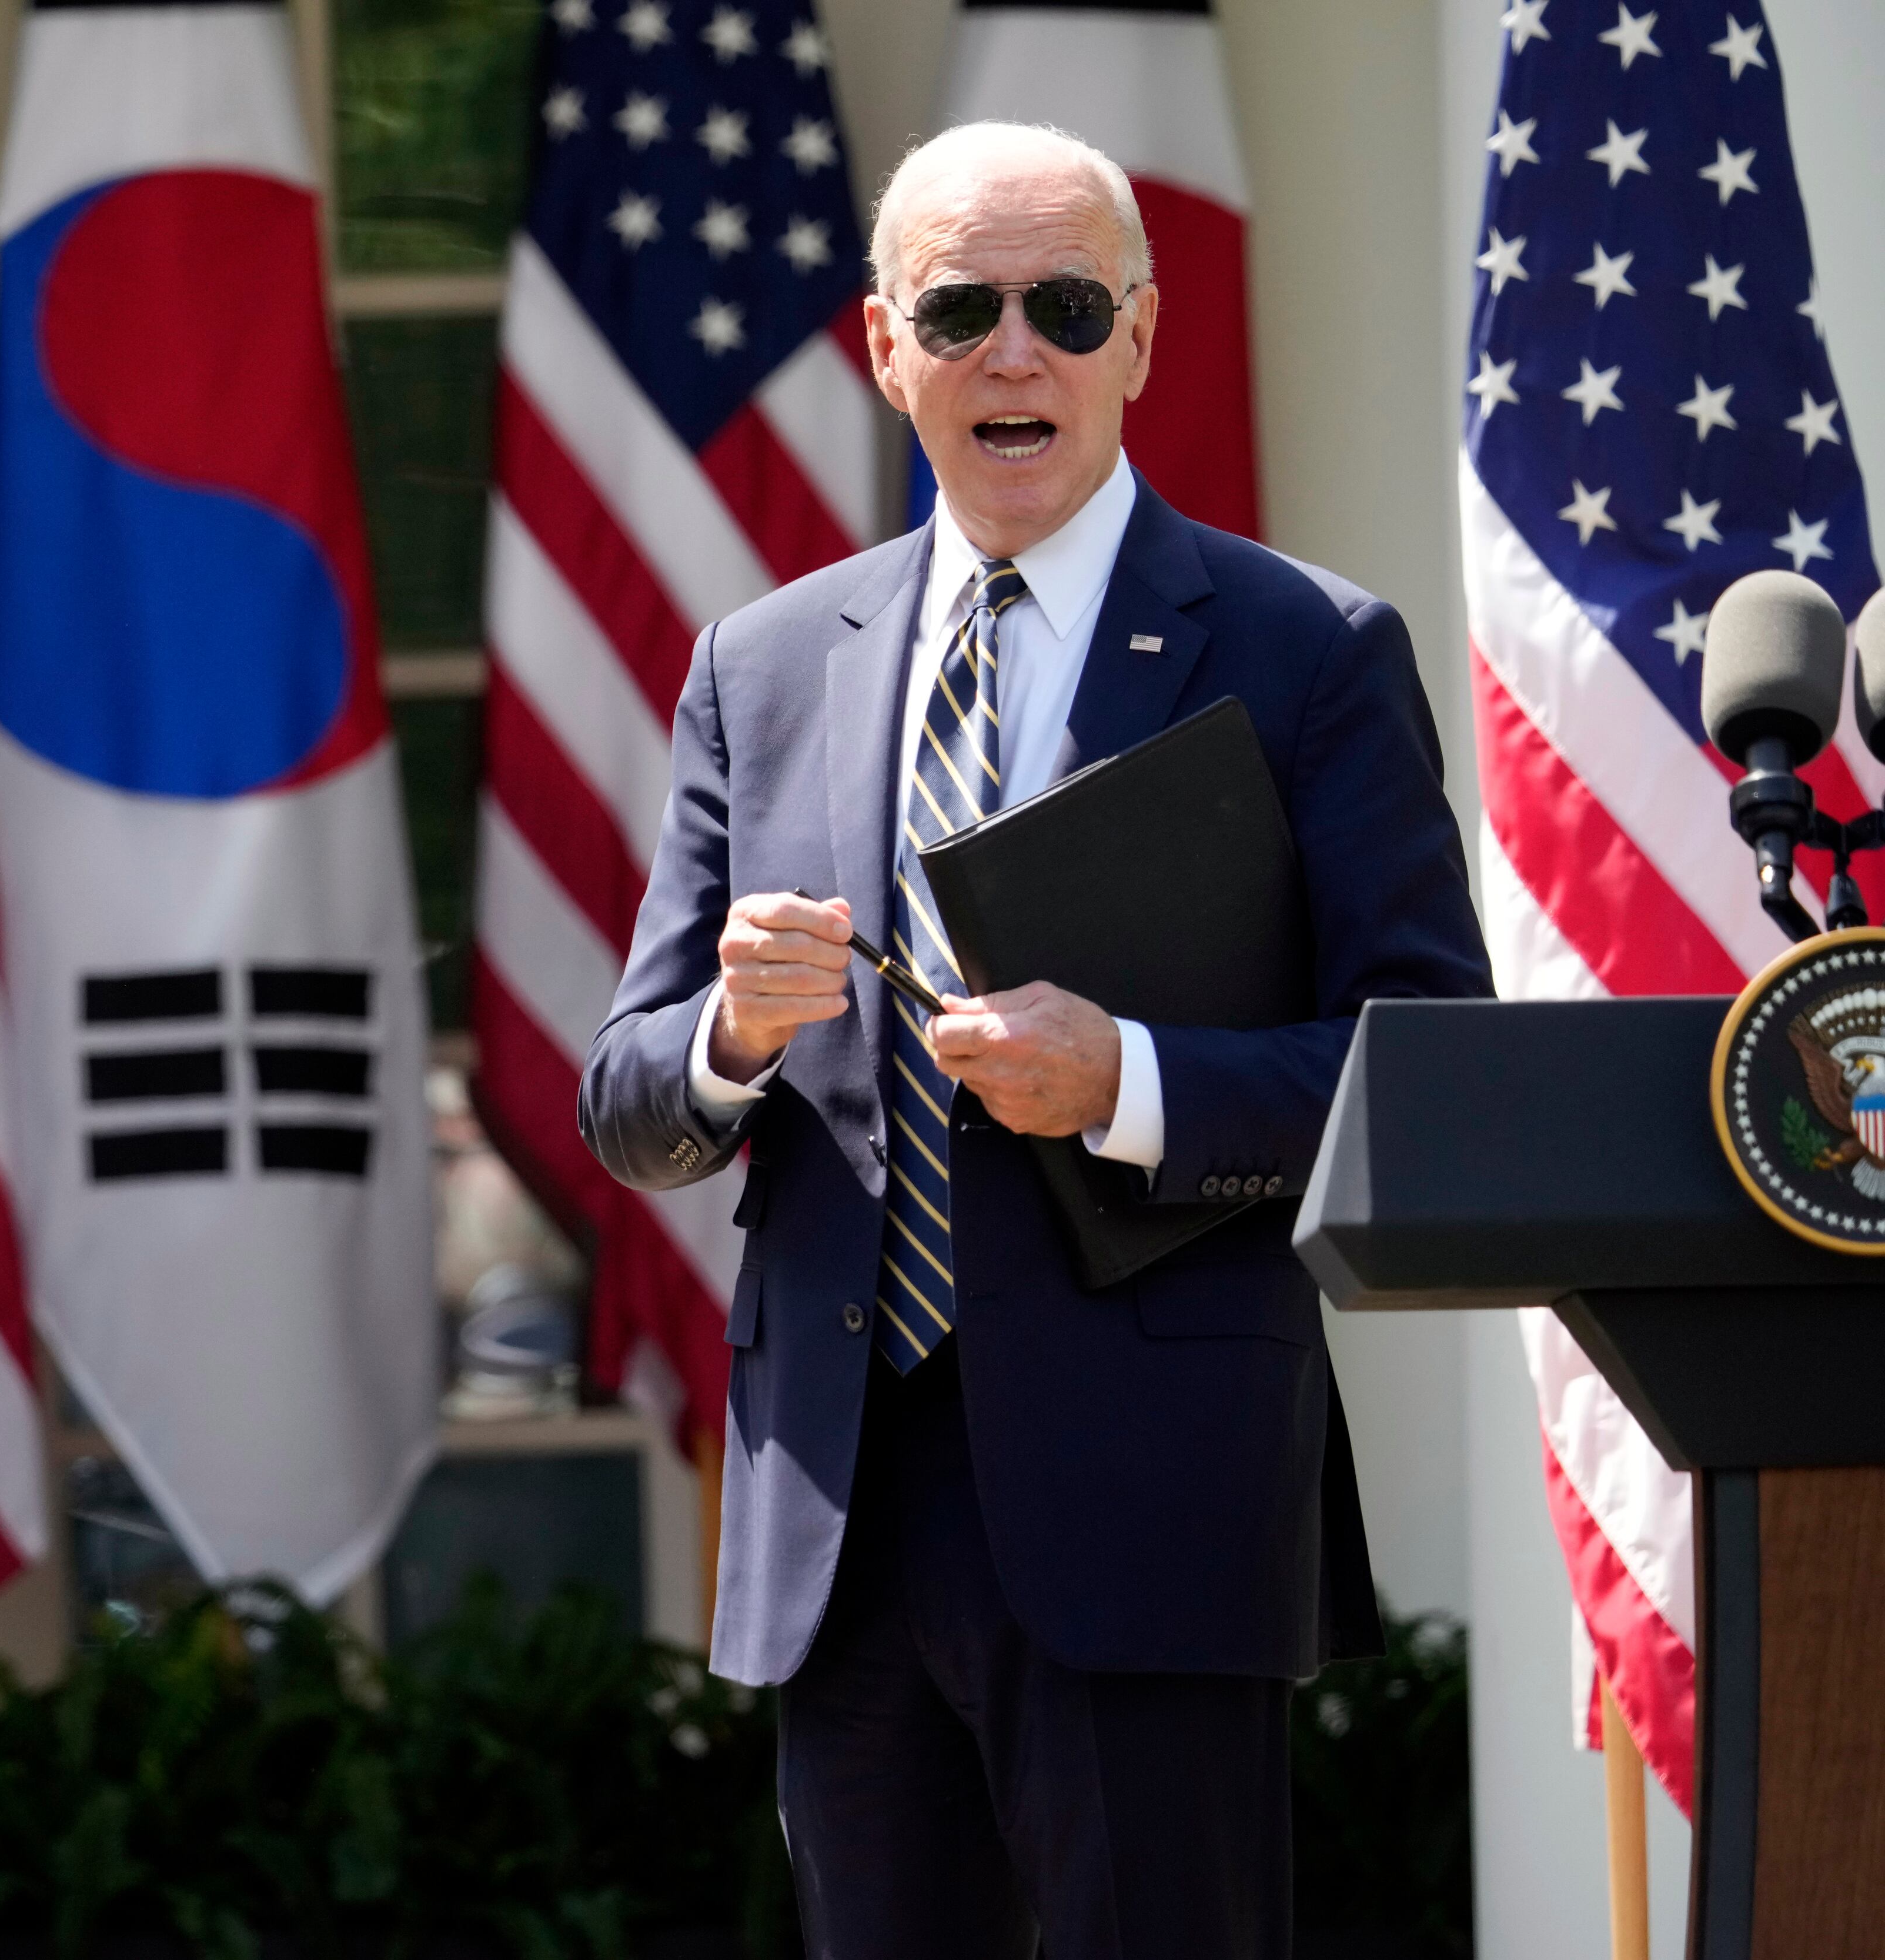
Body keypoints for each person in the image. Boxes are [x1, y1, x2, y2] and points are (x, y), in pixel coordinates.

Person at [578, 122, 1490, 1959]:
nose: (1019, 351)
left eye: (1069, 305)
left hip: (1156, 1504)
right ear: (882, 343)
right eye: (965, 306)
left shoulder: (1301, 647)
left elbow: (1435, 1076)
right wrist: (730, 1045)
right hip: (841, 1516)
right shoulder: (759, 666)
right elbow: (629, 1100)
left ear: (1141, 340)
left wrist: (1136, 1087)